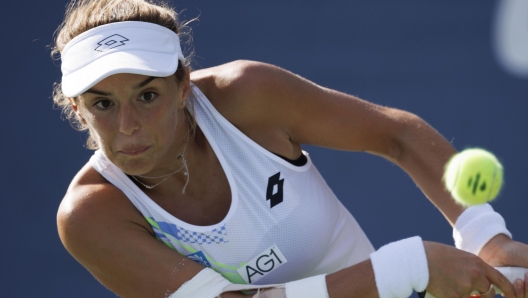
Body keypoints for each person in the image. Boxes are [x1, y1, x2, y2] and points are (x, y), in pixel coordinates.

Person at [53, 0, 528, 297]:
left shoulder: (247, 95)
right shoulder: (91, 216)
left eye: (147, 95)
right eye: (103, 104)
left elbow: (397, 135)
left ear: (183, 87)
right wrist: (404, 270)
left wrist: (486, 234)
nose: (129, 126)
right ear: (77, 109)